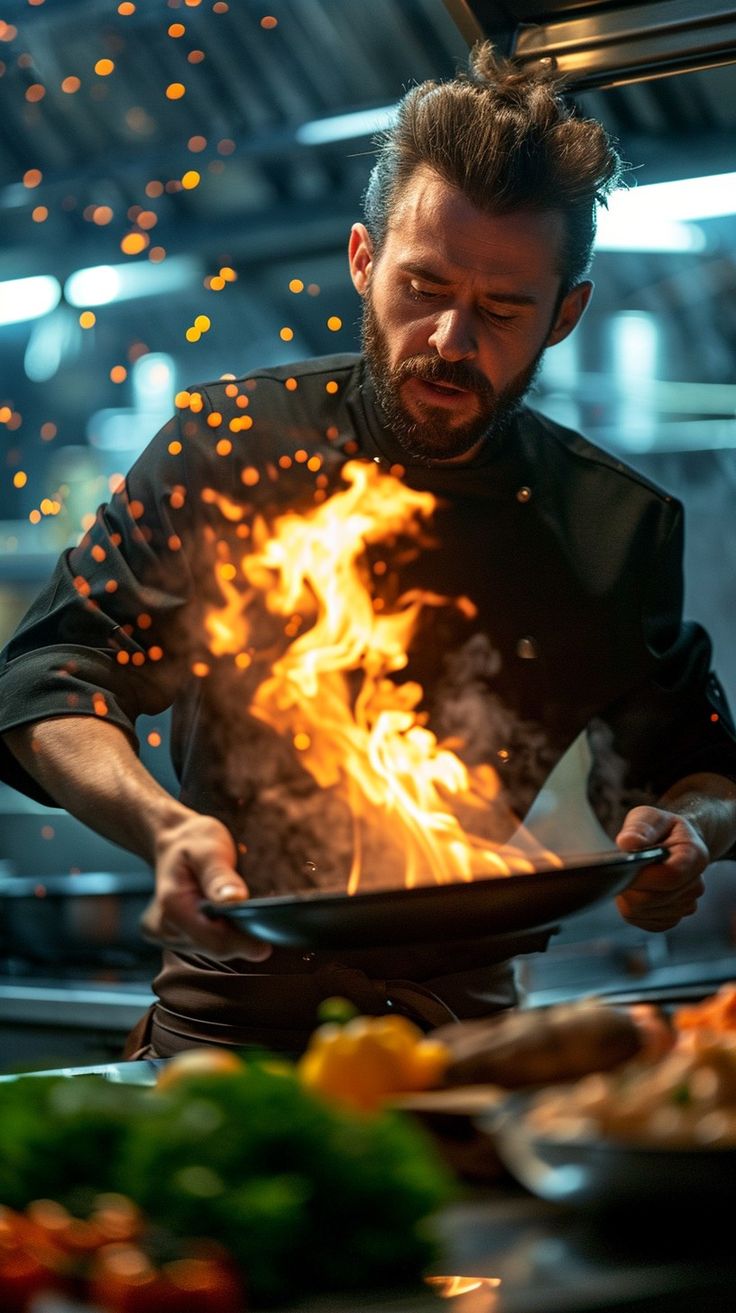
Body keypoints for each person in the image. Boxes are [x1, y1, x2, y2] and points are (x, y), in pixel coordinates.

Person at [1, 43, 735, 1058]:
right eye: (422, 284)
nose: (446, 337)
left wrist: (688, 834)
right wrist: (164, 825)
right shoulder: (226, 452)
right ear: (362, 258)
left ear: (565, 313)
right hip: (229, 1029)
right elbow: (49, 675)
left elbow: (696, 762)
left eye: (501, 309)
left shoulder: (612, 525)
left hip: (465, 1045)